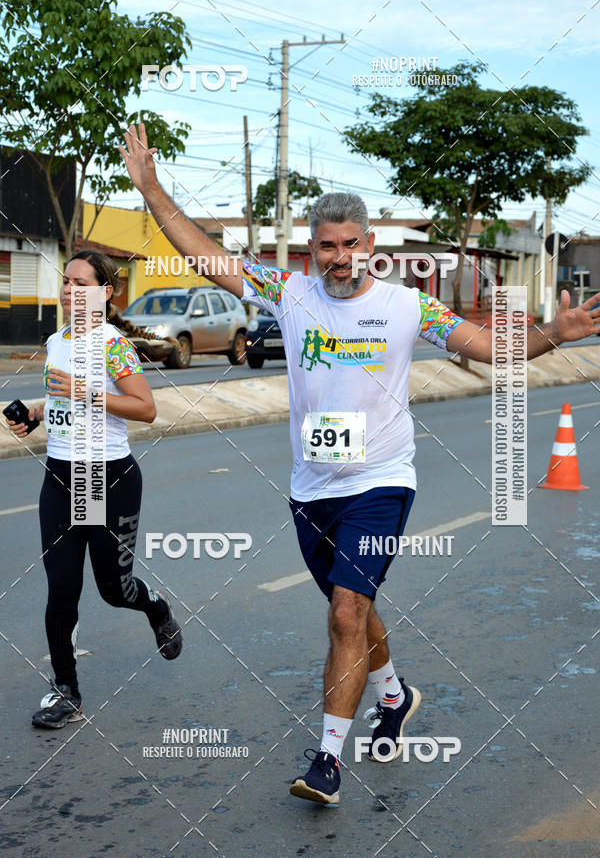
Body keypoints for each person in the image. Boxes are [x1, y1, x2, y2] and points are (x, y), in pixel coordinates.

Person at [120, 123, 600, 804]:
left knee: (345, 614)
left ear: (369, 246)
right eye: (326, 247)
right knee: (358, 610)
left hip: (381, 483)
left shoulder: (408, 305)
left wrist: (553, 333)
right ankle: (394, 695)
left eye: (351, 245)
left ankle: (327, 762)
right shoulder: (287, 294)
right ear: (309, 252)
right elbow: (204, 254)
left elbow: (492, 349)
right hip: (311, 489)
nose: (340, 258)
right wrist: (151, 188)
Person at [8, 250, 183, 730]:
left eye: (81, 283)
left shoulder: (114, 345)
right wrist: (36, 414)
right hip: (62, 476)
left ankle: (156, 606)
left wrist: (85, 390)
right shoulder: (57, 340)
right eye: (66, 281)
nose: (69, 290)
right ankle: (66, 688)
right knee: (61, 588)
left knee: (114, 589)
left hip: (109, 476)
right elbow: (61, 395)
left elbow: (145, 408)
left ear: (105, 294)